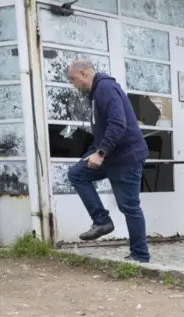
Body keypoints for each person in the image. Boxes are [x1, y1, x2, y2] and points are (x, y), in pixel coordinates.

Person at [65, 59, 151, 263]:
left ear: (84, 74)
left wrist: (101, 152)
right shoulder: (95, 94)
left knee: (129, 206)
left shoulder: (105, 88)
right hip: (112, 156)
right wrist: (93, 151)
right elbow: (103, 130)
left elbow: (118, 124)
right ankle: (102, 221)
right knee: (77, 173)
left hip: (126, 157)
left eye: (73, 79)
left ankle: (140, 255)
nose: (72, 84)